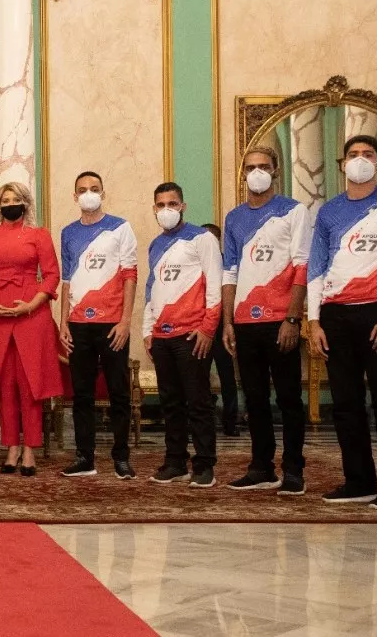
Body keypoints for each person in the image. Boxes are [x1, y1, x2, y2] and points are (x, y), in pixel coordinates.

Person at [309, 135, 377, 510]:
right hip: (335, 314)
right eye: (354, 155)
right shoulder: (328, 212)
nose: (360, 160)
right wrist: (314, 320)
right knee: (344, 403)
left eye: (368, 155)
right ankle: (358, 481)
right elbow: (316, 268)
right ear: (342, 164)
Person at [220, 147, 311, 496]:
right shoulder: (234, 218)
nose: (257, 172)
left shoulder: (293, 211)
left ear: (275, 171)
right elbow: (230, 270)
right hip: (244, 321)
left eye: (264, 167)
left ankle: (293, 470)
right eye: (251, 167)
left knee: (288, 397)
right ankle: (261, 466)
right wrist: (228, 322)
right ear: (242, 173)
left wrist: (293, 318)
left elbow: (302, 265)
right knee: (254, 398)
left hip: (280, 319)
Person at [0, 182, 62, 477]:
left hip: (31, 313)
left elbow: (51, 275)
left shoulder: (39, 235)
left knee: (30, 384)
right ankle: (10, 447)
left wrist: (31, 304)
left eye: (16, 199)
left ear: (26, 203)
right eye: (6, 199)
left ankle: (31, 449)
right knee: (5, 384)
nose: (11, 203)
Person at [58, 171, 139, 480]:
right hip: (78, 324)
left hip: (112, 324)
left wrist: (125, 321)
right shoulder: (68, 232)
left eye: (94, 189)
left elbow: (130, 275)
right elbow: (67, 280)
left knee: (118, 392)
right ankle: (84, 457)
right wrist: (63, 322)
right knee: (82, 394)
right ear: (74, 196)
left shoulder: (120, 227)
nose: (88, 193)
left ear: (103, 194)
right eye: (82, 189)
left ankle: (121, 457)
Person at [143, 182, 222, 488]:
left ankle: (204, 465)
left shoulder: (202, 239)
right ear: (154, 209)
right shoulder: (154, 245)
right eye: (161, 205)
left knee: (198, 401)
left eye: (172, 204)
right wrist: (147, 330)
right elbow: (152, 289)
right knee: (170, 402)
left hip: (192, 334)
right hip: (161, 337)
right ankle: (175, 461)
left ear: (183, 206)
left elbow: (214, 284)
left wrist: (208, 327)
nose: (167, 210)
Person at [203, 223, 241, 437]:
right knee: (200, 376)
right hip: (202, 326)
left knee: (227, 376)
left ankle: (231, 422)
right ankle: (203, 419)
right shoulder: (196, 262)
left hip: (223, 327)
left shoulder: (229, 263)